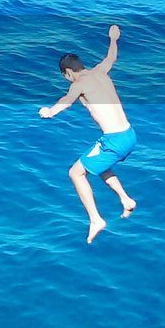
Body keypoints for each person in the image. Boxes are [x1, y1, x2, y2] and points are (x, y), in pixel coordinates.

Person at [39, 24, 137, 244]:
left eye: (64, 76)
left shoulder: (79, 83)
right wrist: (113, 38)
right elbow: (112, 56)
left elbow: (67, 100)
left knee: (76, 173)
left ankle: (95, 219)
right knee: (97, 164)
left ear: (68, 72)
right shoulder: (101, 70)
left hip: (115, 140)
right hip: (129, 135)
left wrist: (50, 112)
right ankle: (126, 199)